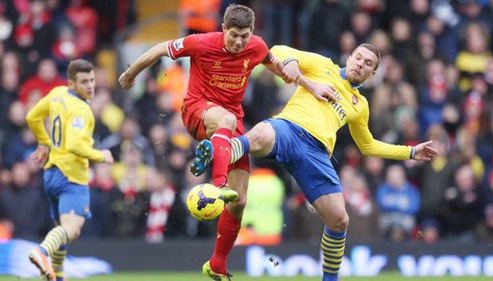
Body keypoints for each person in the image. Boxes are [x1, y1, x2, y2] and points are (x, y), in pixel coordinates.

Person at [193, 43, 438, 281]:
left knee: (339, 219)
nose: (360, 64)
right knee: (259, 135)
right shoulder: (323, 65)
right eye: (358, 58)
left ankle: (330, 279)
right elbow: (278, 51)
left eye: (368, 64)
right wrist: (289, 64)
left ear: (373, 74)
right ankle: (216, 152)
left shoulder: (360, 105)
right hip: (288, 128)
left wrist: (410, 152)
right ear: (349, 57)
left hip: (316, 154)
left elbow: (367, 145)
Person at [118, 4, 327, 281]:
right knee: (226, 123)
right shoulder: (201, 42)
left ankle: (217, 264)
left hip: (231, 128)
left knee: (239, 201)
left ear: (251, 32)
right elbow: (159, 49)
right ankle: (218, 184)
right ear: (224, 29)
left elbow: (280, 69)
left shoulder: (256, 47)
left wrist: (311, 87)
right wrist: (131, 74)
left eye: (244, 35)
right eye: (234, 35)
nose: (239, 42)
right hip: (198, 111)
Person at [25, 59, 114, 281]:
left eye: (92, 80)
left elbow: (32, 117)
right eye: (84, 82)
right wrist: (100, 155)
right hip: (72, 177)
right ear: (72, 84)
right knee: (72, 229)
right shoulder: (82, 110)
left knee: (61, 231)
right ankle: (41, 252)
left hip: (52, 175)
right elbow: (75, 144)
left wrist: (44, 142)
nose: (90, 86)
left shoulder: (57, 93)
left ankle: (58, 276)